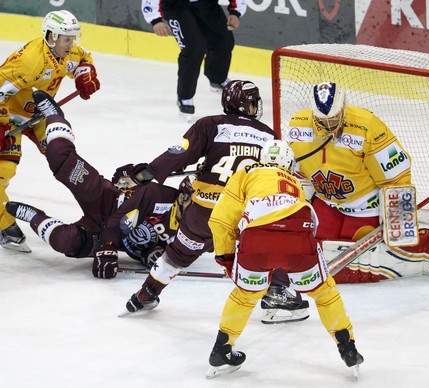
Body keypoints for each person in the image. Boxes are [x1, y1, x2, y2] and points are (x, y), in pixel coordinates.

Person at [112, 80, 306, 321]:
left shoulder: (209, 125)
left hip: (202, 211)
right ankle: (276, 292)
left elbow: (177, 154)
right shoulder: (268, 135)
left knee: (177, 254)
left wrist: (142, 175)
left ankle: (146, 294)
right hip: (239, 214)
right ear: (248, 106)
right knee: (270, 242)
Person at [205, 139, 363, 378]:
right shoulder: (294, 183)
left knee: (245, 295)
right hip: (298, 237)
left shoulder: (248, 172)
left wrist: (226, 257)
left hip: (256, 239)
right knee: (324, 292)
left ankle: (222, 349)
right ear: (288, 164)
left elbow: (220, 220)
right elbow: (306, 225)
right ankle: (347, 346)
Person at [288, 82, 429, 283]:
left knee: (360, 253)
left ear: (343, 108)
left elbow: (396, 174)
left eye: (334, 120)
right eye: (322, 122)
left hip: (365, 206)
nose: (329, 127)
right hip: (327, 201)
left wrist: (398, 218)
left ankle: (427, 250)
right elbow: (298, 171)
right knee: (314, 242)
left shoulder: (366, 126)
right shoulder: (298, 125)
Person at [6, 90, 188, 278]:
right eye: (191, 198)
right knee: (59, 157)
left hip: (105, 233)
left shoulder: (194, 229)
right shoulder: (161, 197)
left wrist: (151, 255)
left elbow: (159, 251)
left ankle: (33, 216)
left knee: (65, 241)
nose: (194, 206)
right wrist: (107, 247)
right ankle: (54, 115)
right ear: (183, 194)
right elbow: (121, 195)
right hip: (104, 197)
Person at [0, 10, 100, 253]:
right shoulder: (30, 61)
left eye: (72, 38)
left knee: (65, 158)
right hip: (10, 120)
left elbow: (83, 60)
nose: (71, 43)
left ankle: (100, 210)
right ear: (51, 36)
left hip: (40, 115)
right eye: (67, 38)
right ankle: (4, 223)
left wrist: (85, 74)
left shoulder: (65, 51)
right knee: (3, 173)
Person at [141, 0, 246, 120]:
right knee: (193, 49)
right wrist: (155, 19)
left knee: (224, 41)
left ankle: (217, 78)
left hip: (207, 4)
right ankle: (185, 97)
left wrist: (235, 12)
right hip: (177, 6)